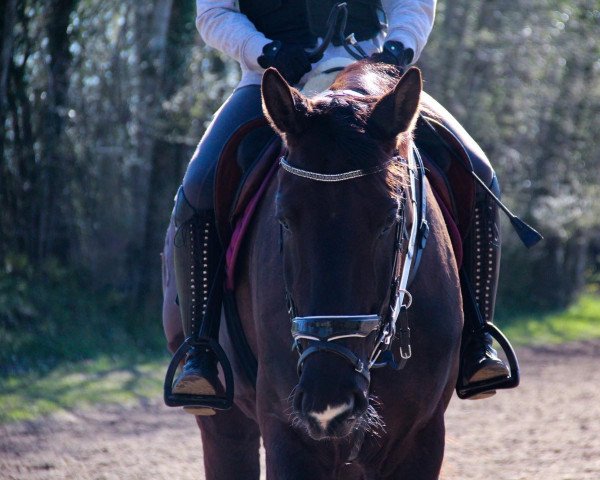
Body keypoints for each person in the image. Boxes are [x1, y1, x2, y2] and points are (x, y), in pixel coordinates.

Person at [162, 0, 510, 415]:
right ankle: (201, 348)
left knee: (477, 171)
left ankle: (477, 341)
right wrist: (265, 51)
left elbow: (412, 3)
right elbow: (214, 14)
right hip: (271, 84)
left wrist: (398, 48)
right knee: (200, 185)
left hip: (370, 80)